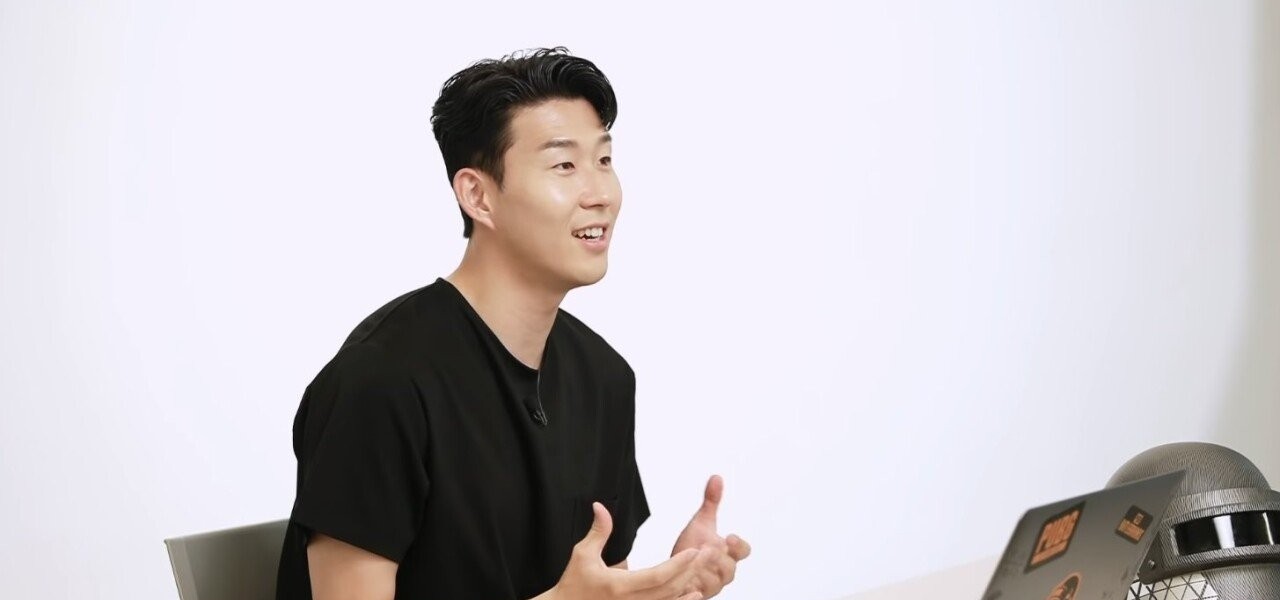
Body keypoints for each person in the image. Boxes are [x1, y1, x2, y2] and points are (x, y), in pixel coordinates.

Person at [275, 47, 751, 600]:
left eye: (603, 160)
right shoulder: (381, 383)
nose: (600, 194)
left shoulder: (604, 378)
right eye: (564, 166)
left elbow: (600, 586)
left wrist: (667, 585)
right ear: (478, 195)